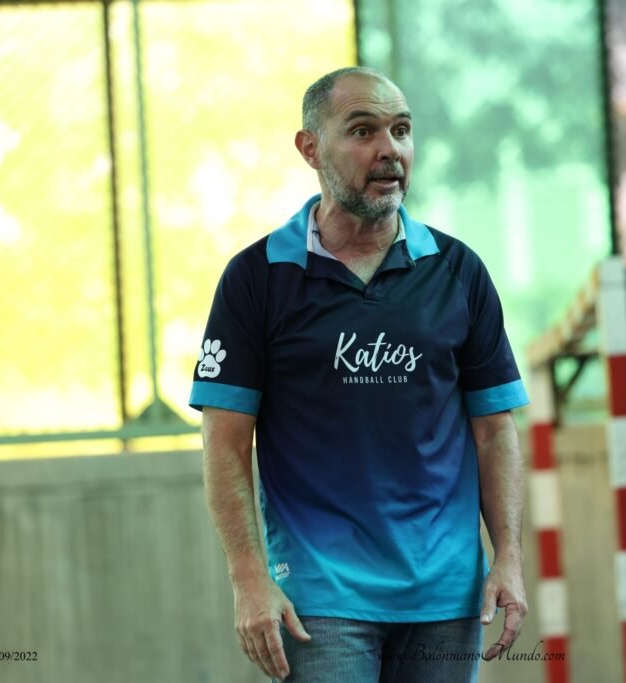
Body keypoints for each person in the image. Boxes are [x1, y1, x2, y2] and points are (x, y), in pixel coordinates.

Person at [189, 66, 530, 683]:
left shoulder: (458, 271)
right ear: (310, 148)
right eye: (363, 131)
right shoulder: (257, 278)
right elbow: (225, 441)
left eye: (401, 130)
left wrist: (508, 555)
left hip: (446, 594)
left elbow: (494, 431)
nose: (389, 149)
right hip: (319, 598)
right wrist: (248, 578)